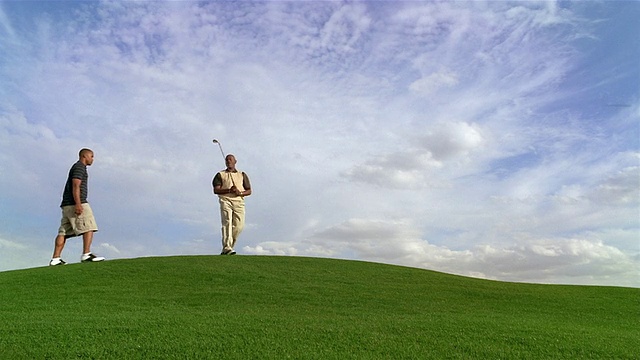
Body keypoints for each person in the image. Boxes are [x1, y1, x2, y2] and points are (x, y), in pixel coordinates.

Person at [49, 148, 105, 265]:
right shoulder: (79, 167)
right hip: (76, 203)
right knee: (89, 226)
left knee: (63, 232)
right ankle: (86, 254)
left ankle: (55, 259)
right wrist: (78, 204)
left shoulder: (78, 167)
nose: (93, 159)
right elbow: (76, 185)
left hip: (67, 204)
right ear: (85, 156)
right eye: (92, 156)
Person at [212, 154, 252, 255]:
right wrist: (229, 190)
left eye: (230, 159)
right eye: (227, 160)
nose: (228, 161)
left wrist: (240, 193)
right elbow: (216, 190)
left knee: (239, 225)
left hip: (239, 201)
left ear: (235, 161)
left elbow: (249, 190)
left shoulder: (242, 174)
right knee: (227, 222)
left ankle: (229, 247)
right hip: (225, 200)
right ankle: (227, 247)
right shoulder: (220, 174)